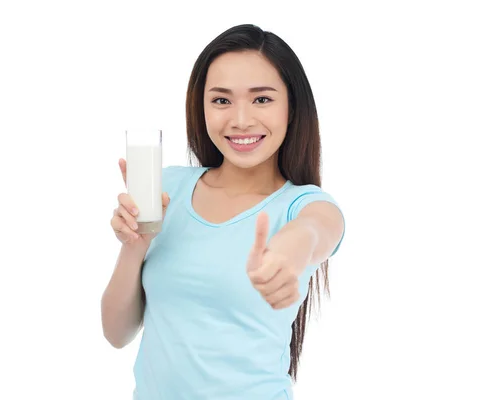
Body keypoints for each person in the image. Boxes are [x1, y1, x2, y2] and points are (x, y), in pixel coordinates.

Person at [101, 23, 346, 400]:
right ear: (201, 107)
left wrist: (289, 253)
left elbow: (316, 232)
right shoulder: (167, 189)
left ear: (292, 107)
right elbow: (116, 333)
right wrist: (136, 242)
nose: (241, 120)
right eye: (221, 100)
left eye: (262, 99)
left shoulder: (305, 205)